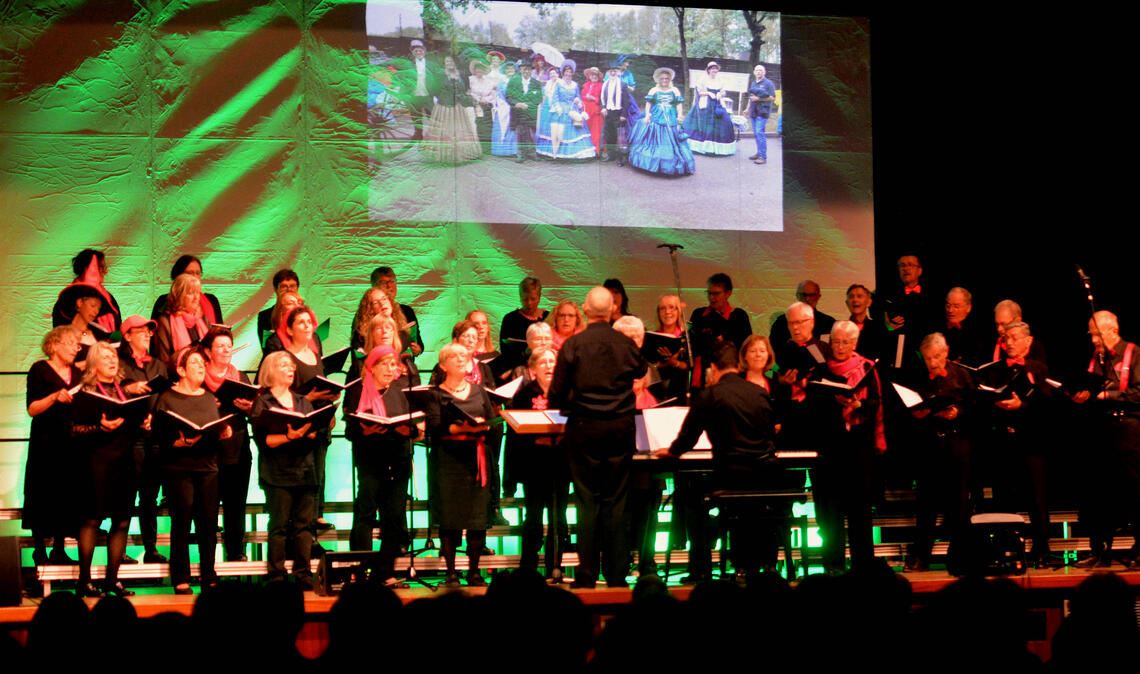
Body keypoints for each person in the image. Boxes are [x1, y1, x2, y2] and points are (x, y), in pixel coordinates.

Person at [660, 344, 795, 580]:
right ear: (738, 366)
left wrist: (671, 451)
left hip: (730, 475)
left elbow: (688, 438)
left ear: (713, 368)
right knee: (751, 507)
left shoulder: (709, 395)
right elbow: (769, 434)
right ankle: (761, 564)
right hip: (765, 474)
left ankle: (701, 567)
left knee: (690, 496)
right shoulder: (759, 393)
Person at [549, 287, 648, 588]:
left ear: (586, 310)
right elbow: (641, 368)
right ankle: (617, 574)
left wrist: (571, 403)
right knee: (616, 500)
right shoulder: (625, 343)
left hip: (584, 427)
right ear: (612, 309)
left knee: (586, 500)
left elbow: (556, 392)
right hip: (620, 427)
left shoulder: (574, 344)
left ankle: (587, 574)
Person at [152, 347, 232, 594]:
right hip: (179, 466)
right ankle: (181, 576)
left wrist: (223, 431)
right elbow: (158, 435)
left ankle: (208, 573)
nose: (201, 366)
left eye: (202, 363)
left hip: (207, 466)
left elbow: (213, 427)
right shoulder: (167, 398)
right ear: (181, 370)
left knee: (208, 522)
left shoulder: (208, 397)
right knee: (182, 521)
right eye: (195, 362)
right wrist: (176, 442)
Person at [70, 341, 148, 597]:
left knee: (122, 520)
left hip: (125, 461)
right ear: (93, 364)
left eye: (113, 356)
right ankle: (84, 580)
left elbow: (133, 423)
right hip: (96, 462)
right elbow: (73, 429)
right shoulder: (85, 392)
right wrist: (99, 427)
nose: (112, 361)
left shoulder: (125, 391)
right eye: (105, 357)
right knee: (92, 519)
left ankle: (113, 580)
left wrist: (144, 423)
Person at [808, 320, 885, 573]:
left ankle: (863, 566)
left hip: (858, 447)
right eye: (836, 342)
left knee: (859, 509)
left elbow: (876, 403)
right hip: (830, 448)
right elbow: (813, 409)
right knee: (830, 512)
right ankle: (834, 565)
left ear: (854, 343)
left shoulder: (867, 368)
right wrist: (835, 403)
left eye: (845, 342)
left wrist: (859, 405)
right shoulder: (820, 370)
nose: (840, 347)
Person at [978, 321, 1054, 566]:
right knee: (1003, 497)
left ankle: (1042, 549)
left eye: (1014, 338)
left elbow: (1048, 405)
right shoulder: (994, 369)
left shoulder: (1039, 368)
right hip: (1002, 442)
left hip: (1031, 441)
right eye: (1006, 338)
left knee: (1037, 498)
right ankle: (1005, 550)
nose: (1009, 343)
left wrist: (1023, 406)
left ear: (1028, 341)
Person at [343, 345, 421, 584]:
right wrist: (364, 431)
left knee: (394, 516)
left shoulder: (401, 390)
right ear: (372, 367)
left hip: (398, 459)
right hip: (370, 460)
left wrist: (409, 430)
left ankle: (385, 571)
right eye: (384, 364)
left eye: (393, 364)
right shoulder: (358, 390)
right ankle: (360, 570)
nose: (390, 369)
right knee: (365, 514)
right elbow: (350, 430)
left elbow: (414, 424)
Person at [424, 343, 496, 587]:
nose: (461, 359)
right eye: (454, 356)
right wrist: (459, 427)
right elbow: (434, 426)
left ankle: (474, 572)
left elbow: (491, 420)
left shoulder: (479, 391)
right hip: (448, 461)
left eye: (464, 356)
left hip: (475, 459)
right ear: (443, 365)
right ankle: (451, 573)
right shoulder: (435, 394)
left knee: (477, 517)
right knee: (449, 517)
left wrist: (481, 426)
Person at [1071, 311, 1139, 568]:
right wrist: (1082, 395)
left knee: (1134, 491)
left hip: (1128, 429)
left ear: (1113, 331)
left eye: (1096, 335)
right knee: (1099, 492)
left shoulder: (1133, 353)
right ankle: (1099, 550)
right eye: (1090, 335)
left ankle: (1139, 550)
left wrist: (1107, 396)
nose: (1093, 340)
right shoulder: (1096, 358)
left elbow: (1138, 392)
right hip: (1101, 430)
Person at [264, 306, 339, 531]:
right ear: (289, 329)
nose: (307, 326)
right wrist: (310, 398)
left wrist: (330, 401)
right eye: (301, 322)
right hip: (296, 427)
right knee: (300, 484)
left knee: (317, 477)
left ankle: (311, 531)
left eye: (309, 322)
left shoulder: (315, 356)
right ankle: (295, 531)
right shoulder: (286, 359)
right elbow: (283, 396)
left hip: (319, 422)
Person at [905, 333, 974, 572]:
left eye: (936, 357)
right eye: (928, 358)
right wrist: (919, 414)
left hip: (956, 443)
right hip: (929, 444)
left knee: (959, 505)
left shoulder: (961, 375)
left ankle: (959, 558)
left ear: (946, 353)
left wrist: (957, 412)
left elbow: (975, 406)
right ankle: (921, 556)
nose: (932, 362)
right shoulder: (918, 377)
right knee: (926, 504)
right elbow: (909, 406)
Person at [251, 351, 320, 587]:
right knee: (279, 526)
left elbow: (314, 434)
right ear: (271, 370)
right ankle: (276, 574)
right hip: (277, 472)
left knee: (304, 526)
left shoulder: (303, 402)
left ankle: (303, 573)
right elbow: (265, 441)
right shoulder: (264, 402)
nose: (291, 369)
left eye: (292, 366)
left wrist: (308, 431)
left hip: (305, 470)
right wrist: (289, 436)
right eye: (284, 365)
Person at [509, 347, 569, 581]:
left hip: (560, 462)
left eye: (552, 361)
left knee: (559, 516)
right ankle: (528, 568)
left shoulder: (566, 392)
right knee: (533, 516)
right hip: (534, 463)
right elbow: (515, 434)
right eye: (543, 362)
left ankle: (556, 565)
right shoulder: (524, 395)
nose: (549, 366)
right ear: (532, 369)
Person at [24, 327, 83, 565]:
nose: (76, 348)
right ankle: (39, 549)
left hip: (70, 441)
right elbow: (32, 409)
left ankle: (59, 548)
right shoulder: (39, 369)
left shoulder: (78, 373)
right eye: (71, 343)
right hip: (45, 441)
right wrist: (54, 397)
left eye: (77, 344)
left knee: (65, 491)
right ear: (55, 344)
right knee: (42, 489)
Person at [116, 315, 169, 563]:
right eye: (141, 331)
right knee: (126, 493)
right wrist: (130, 393)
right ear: (127, 336)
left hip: (153, 436)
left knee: (150, 495)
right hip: (129, 436)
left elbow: (163, 398)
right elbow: (113, 394)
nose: (147, 335)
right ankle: (119, 549)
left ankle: (151, 548)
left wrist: (153, 417)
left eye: (149, 331)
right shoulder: (118, 363)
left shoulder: (157, 364)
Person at [201, 326, 254, 562]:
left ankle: (235, 551)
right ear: (208, 351)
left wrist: (250, 408)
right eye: (220, 346)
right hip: (208, 450)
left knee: (236, 504)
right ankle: (207, 559)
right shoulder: (199, 377)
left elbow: (255, 410)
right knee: (207, 507)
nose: (226, 350)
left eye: (229, 346)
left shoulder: (240, 377)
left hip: (238, 448)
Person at [627, 67, 695, 176]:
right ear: (658, 79)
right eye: (662, 78)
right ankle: (653, 164)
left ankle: (669, 164)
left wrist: (680, 115)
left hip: (670, 116)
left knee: (672, 137)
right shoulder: (654, 90)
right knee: (654, 137)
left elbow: (678, 104)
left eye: (667, 78)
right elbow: (649, 103)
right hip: (657, 115)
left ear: (670, 79)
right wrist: (647, 115)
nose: (664, 80)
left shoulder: (675, 90)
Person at [689, 273, 752, 387]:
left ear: (728, 293)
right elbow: (692, 344)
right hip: (702, 375)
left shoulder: (739, 316)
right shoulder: (699, 315)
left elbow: (745, 347)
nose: (712, 298)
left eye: (716, 293)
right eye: (709, 293)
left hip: (730, 376)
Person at [423, 54, 481, 163]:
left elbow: (465, 90)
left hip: (458, 108)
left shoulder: (461, 74)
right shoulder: (440, 74)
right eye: (447, 61)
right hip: (444, 107)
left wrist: (468, 100)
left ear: (455, 62)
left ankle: (462, 154)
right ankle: (442, 155)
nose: (449, 63)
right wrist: (441, 98)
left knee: (459, 130)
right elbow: (433, 90)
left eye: (451, 61)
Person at [51, 249, 121, 336]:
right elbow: (59, 333)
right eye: (101, 267)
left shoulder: (108, 299)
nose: (105, 271)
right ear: (86, 268)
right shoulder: (67, 300)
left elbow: (117, 329)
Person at [540, 60, 595, 160]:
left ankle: (575, 153)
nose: (568, 74)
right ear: (563, 73)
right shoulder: (558, 83)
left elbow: (578, 97)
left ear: (572, 73)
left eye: (570, 72)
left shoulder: (575, 85)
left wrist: (578, 101)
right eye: (566, 72)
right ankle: (556, 153)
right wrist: (558, 108)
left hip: (573, 109)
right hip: (561, 109)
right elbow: (555, 98)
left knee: (576, 127)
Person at [153, 273, 210, 369]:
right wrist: (187, 352)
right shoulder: (165, 322)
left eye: (197, 293)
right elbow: (163, 362)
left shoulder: (202, 318)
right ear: (179, 296)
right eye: (191, 293)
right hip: (177, 374)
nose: (196, 298)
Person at [149, 254, 224, 324]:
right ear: (178, 276)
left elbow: (220, 330)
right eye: (190, 273)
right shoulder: (164, 302)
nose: (195, 277)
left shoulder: (211, 300)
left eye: (198, 273)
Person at [683, 61, 737, 156]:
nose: (714, 70)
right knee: (705, 125)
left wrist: (720, 94)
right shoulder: (703, 79)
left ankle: (717, 148)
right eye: (712, 68)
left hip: (717, 104)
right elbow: (699, 92)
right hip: (705, 104)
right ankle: (703, 147)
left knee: (725, 122)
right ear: (708, 70)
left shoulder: (720, 80)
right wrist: (708, 93)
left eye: (716, 68)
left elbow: (724, 91)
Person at [371, 266, 423, 357]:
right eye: (383, 282)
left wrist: (418, 349)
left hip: (403, 363)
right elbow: (358, 348)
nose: (389, 286)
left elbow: (419, 343)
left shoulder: (407, 311)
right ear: (374, 287)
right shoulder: (367, 313)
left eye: (392, 281)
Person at [500, 277, 549, 373]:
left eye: (533, 299)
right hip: (517, 369)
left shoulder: (548, 317)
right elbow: (505, 350)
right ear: (520, 297)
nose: (529, 303)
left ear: (539, 297)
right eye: (525, 299)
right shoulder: (510, 319)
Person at [769, 280, 837, 347]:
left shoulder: (828, 323)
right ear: (797, 296)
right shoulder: (782, 322)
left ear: (818, 297)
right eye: (803, 295)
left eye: (811, 295)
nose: (807, 299)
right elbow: (773, 347)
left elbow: (832, 349)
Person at [399, 39, 440, 141]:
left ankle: (435, 136)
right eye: (416, 51)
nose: (418, 52)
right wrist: (403, 95)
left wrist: (437, 95)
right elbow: (403, 80)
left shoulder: (432, 65)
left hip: (428, 96)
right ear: (413, 53)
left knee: (432, 116)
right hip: (414, 96)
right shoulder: (408, 65)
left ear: (424, 51)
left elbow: (437, 80)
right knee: (416, 117)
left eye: (420, 50)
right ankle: (418, 135)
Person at [652, 294, 690, 402]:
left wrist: (674, 362)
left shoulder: (687, 337)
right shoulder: (652, 337)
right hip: (656, 394)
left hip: (681, 393)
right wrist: (659, 365)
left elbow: (690, 367)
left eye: (672, 307)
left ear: (679, 311)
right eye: (662, 308)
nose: (667, 312)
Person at [506, 60, 544, 162]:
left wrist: (529, 105)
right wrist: (516, 104)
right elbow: (508, 96)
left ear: (531, 71)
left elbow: (539, 98)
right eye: (524, 69)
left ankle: (532, 153)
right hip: (518, 112)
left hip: (531, 113)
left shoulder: (536, 83)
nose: (526, 71)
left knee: (531, 133)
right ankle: (521, 155)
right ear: (520, 70)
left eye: (529, 69)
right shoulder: (513, 82)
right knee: (520, 133)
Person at [942, 287, 990, 367]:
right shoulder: (938, 329)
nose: (950, 310)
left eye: (956, 306)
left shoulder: (978, 331)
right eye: (948, 305)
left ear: (968, 307)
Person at [600, 61, 634, 165]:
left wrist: (623, 114)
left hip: (619, 113)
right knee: (609, 135)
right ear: (608, 72)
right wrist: (603, 107)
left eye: (614, 71)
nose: (613, 73)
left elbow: (626, 101)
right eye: (611, 71)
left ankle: (621, 158)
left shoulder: (623, 84)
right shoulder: (605, 84)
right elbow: (602, 97)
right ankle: (611, 155)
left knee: (620, 137)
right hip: (608, 113)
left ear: (618, 72)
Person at [257, 269, 300, 350]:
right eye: (284, 286)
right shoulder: (265, 316)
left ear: (297, 288)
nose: (289, 289)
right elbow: (266, 348)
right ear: (276, 289)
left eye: (292, 286)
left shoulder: (304, 314)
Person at [845, 283, 888, 362]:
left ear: (869, 302)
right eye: (851, 297)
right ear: (847, 303)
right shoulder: (841, 329)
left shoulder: (878, 328)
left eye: (859, 296)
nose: (855, 300)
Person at [744, 64, 777, 164]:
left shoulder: (769, 83)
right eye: (757, 70)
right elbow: (751, 97)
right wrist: (747, 109)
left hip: (763, 112)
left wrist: (759, 99)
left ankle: (763, 157)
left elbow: (772, 98)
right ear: (754, 72)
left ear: (764, 72)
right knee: (756, 134)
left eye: (761, 70)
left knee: (759, 132)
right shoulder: (753, 83)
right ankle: (759, 153)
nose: (758, 72)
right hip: (753, 111)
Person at [490, 61, 519, 158]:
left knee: (513, 128)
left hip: (514, 107)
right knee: (502, 127)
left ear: (515, 70)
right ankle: (501, 150)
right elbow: (499, 95)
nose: (510, 70)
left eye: (512, 68)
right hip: (503, 107)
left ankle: (512, 150)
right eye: (508, 69)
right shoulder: (501, 83)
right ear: (505, 71)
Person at [467, 58, 497, 152]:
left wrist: (486, 99)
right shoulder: (470, 80)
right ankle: (478, 147)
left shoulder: (488, 81)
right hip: (475, 105)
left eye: (481, 69)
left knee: (487, 126)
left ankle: (487, 148)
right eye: (477, 69)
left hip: (487, 106)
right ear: (474, 70)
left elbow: (493, 93)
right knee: (478, 125)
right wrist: (478, 99)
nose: (479, 71)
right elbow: (468, 92)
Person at [580, 66, 604, 155]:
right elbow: (581, 96)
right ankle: (586, 151)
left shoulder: (601, 86)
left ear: (598, 76)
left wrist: (593, 98)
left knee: (595, 131)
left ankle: (596, 151)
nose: (594, 76)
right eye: (592, 75)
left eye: (595, 75)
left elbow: (603, 100)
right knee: (585, 130)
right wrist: (584, 98)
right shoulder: (585, 85)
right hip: (585, 111)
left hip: (595, 111)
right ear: (589, 76)